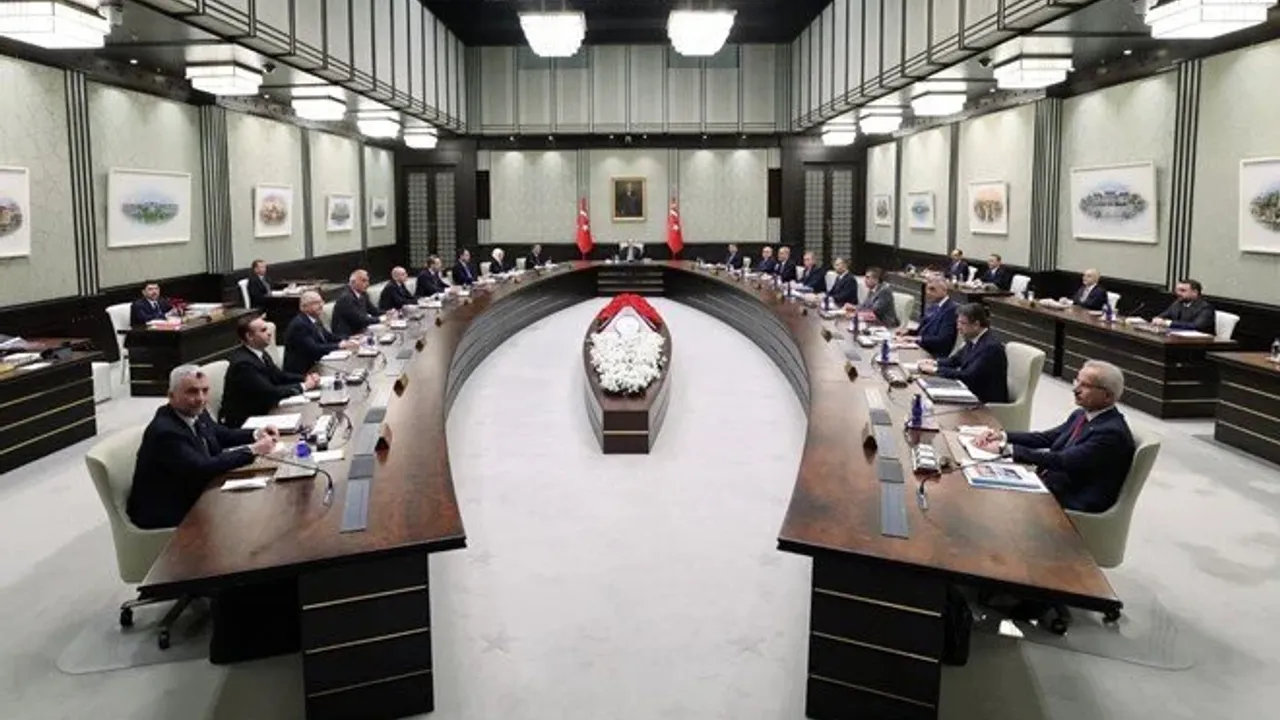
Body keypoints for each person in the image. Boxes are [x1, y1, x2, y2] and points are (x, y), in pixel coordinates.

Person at [127, 365, 278, 529]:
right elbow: (202, 468)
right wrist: (253, 450)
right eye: (192, 392)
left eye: (205, 391)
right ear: (171, 396)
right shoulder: (166, 432)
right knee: (248, 518)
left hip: (195, 492)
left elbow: (221, 434)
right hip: (168, 511)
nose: (201, 398)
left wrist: (256, 433)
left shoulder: (195, 411)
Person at [975, 359, 1135, 513]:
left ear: (1107, 396)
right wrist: (1003, 436)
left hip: (1072, 499)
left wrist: (1007, 450)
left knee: (996, 502)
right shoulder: (1082, 414)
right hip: (1053, 483)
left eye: (1085, 385)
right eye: (1077, 382)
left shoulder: (1111, 433)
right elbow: (1047, 438)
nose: (1075, 389)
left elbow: (1064, 460)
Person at [220, 316, 320, 428]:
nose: (269, 333)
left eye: (267, 329)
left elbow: (280, 376)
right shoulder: (243, 364)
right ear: (249, 336)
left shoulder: (260, 353)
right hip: (245, 422)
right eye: (263, 330)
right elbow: (270, 393)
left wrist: (305, 378)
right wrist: (304, 386)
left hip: (264, 411)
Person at [918, 303, 1009, 404]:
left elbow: (968, 376)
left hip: (984, 402)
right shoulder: (974, 339)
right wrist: (934, 363)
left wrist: (936, 370)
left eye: (962, 323)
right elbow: (954, 360)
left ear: (976, 325)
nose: (958, 327)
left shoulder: (990, 347)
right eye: (958, 323)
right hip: (970, 392)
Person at [282, 291, 359, 374]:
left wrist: (349, 338)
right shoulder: (300, 325)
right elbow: (314, 348)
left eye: (321, 301)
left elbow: (328, 337)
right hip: (303, 372)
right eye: (316, 303)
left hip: (317, 365)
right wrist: (339, 345)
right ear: (304, 307)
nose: (321, 305)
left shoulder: (314, 319)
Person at [898, 277, 958, 357]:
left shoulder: (951, 310)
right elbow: (921, 330)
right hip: (920, 347)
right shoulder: (933, 306)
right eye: (927, 289)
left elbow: (943, 340)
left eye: (932, 289)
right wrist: (908, 332)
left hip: (932, 354)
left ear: (944, 290)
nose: (928, 292)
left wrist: (918, 339)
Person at [332, 269, 382, 338]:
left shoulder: (363, 294)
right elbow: (359, 319)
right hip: (347, 336)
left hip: (360, 330)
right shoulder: (345, 298)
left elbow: (374, 311)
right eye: (364, 281)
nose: (368, 284)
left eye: (368, 281)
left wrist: (388, 313)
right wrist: (381, 319)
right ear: (353, 282)